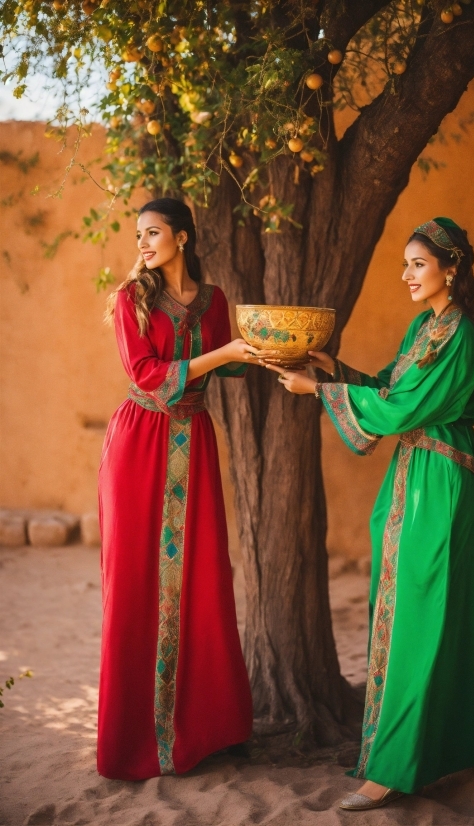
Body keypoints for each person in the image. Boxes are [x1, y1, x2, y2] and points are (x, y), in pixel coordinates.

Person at [265, 217, 474, 810]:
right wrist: (331, 370)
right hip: (417, 477)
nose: (407, 274)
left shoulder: (460, 332)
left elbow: (400, 410)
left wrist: (321, 393)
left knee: (422, 619)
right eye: (406, 264)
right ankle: (465, 742)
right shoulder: (425, 326)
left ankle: (392, 769)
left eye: (418, 263)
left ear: (451, 268)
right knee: (430, 614)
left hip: (443, 484)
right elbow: (389, 389)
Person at [98, 198, 267, 780]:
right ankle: (135, 741)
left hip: (194, 440)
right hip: (139, 441)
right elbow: (145, 374)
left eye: (153, 232)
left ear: (184, 237)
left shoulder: (214, 301)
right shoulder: (130, 300)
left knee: (201, 575)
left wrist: (268, 348)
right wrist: (222, 352)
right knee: (137, 580)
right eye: (138, 235)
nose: (142, 244)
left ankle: (207, 730)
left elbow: (231, 365)